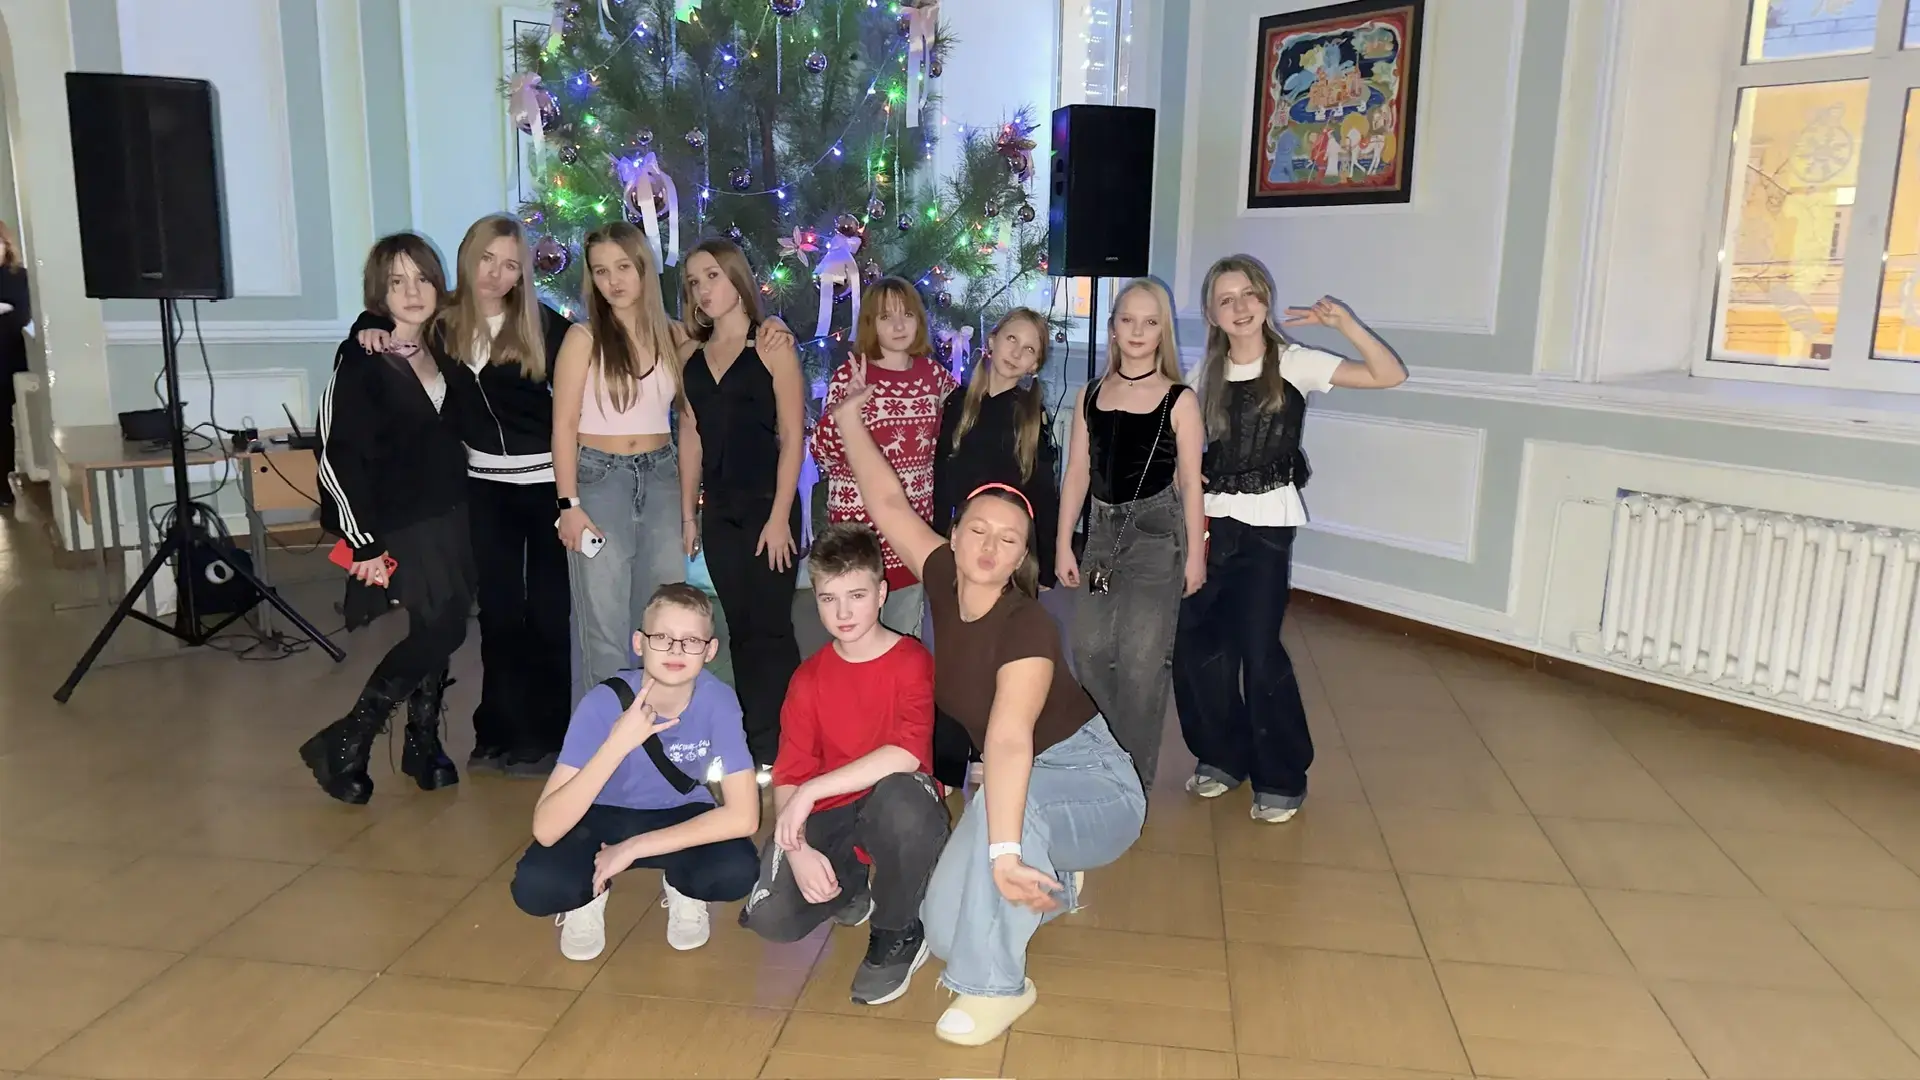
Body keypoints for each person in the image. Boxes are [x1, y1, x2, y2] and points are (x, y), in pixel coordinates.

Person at [828, 358, 1145, 1046]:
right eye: (978, 529)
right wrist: (851, 418)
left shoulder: (1026, 626)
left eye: (1009, 540)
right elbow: (887, 503)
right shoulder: (943, 574)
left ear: (1021, 556)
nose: (989, 546)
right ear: (957, 530)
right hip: (1024, 784)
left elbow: (1006, 742)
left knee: (1008, 826)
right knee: (944, 929)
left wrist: (1002, 851)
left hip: (1096, 787)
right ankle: (1053, 879)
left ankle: (997, 987)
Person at [1175, 255, 1404, 822]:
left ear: (1265, 298)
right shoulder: (1202, 374)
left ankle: (1280, 775)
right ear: (1212, 313)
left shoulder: (1296, 362)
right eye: (1226, 299)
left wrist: (1344, 324)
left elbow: (1389, 375)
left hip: (1267, 529)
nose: (1240, 307)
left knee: (1258, 649)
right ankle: (1222, 756)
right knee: (1200, 647)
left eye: (1249, 294)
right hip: (1209, 525)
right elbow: (1180, 450)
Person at [351, 214, 574, 777]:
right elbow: (392, 312)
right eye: (487, 260)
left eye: (510, 265)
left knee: (548, 613)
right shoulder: (441, 323)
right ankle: (496, 731)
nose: (496, 274)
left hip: (546, 487)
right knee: (498, 613)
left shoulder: (545, 325)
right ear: (467, 258)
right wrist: (366, 323)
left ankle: (547, 735)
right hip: (483, 490)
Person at [739, 522, 949, 1007]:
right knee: (772, 917)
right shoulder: (808, 679)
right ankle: (850, 882)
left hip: (894, 802)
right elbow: (790, 773)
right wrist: (796, 850)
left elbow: (907, 753)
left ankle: (898, 929)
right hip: (833, 813)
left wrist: (811, 792)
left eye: (856, 595)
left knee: (903, 804)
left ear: (882, 593)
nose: (843, 612)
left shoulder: (911, 659)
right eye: (829, 599)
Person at [303, 233, 473, 804]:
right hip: (398, 523)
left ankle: (422, 741)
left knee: (438, 624)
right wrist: (363, 542)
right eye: (397, 282)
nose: (412, 292)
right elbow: (335, 453)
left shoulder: (443, 346)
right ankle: (348, 739)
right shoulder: (362, 357)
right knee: (445, 626)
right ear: (379, 291)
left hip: (452, 513)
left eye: (422, 278)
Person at [510, 583, 761, 959]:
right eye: (662, 638)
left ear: (710, 651)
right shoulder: (601, 703)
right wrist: (617, 744)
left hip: (680, 812)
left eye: (691, 641)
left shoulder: (719, 700)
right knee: (537, 887)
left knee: (736, 870)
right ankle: (585, 899)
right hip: (599, 816)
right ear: (639, 643)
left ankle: (684, 888)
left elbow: (744, 817)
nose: (676, 650)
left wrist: (631, 849)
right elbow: (546, 828)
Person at [1056, 279, 1205, 795]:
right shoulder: (1091, 394)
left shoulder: (1179, 400)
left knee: (1142, 660)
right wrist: (1063, 542)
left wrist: (1196, 555)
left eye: (1150, 322)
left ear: (1163, 332)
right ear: (1113, 328)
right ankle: (1103, 756)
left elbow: (1190, 483)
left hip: (1156, 538)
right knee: (1090, 649)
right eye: (1127, 320)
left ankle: (1131, 780)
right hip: (1101, 537)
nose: (1138, 331)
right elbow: (1077, 471)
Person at [678, 238, 804, 774]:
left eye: (713, 275)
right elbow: (691, 436)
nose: (704, 289)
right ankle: (755, 743)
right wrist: (689, 514)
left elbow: (793, 437)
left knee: (771, 628)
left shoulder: (772, 346)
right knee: (739, 628)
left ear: (736, 276)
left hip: (768, 507)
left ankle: (786, 743)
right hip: (720, 512)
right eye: (694, 282)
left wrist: (778, 518)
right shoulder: (690, 356)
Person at [553, 222, 689, 696]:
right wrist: (568, 505)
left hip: (662, 477)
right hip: (599, 481)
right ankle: (606, 735)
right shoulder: (583, 338)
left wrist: (773, 328)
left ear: (643, 268)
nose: (613, 281)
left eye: (623, 267)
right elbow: (563, 427)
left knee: (663, 618)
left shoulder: (674, 335)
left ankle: (659, 726)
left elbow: (729, 342)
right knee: (604, 625)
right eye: (600, 271)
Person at [928, 307, 1060, 789]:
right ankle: (945, 761)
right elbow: (942, 477)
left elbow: (1042, 491)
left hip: (1007, 555)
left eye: (1029, 350)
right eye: (1011, 340)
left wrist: (1045, 560)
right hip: (962, 546)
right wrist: (940, 539)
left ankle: (990, 746)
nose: (1016, 353)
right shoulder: (958, 403)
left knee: (996, 652)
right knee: (952, 650)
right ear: (993, 339)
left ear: (1035, 364)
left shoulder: (1030, 415)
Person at [811, 278, 957, 637]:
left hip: (909, 534)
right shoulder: (851, 376)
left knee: (904, 637)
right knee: (855, 636)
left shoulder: (935, 377)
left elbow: (954, 437)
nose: (898, 325)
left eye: (907, 315)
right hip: (857, 539)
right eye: (886, 317)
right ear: (870, 324)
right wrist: (847, 409)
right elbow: (822, 453)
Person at [0, 221, 29, 508]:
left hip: (5, 359)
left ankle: (2, 486)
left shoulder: (18, 277)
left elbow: (22, 316)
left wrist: (8, 311)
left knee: (1, 424)